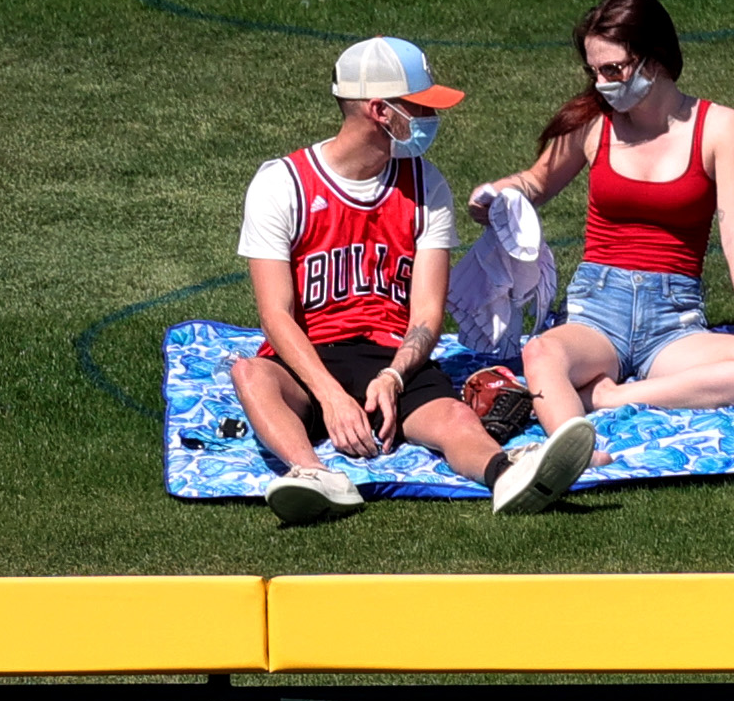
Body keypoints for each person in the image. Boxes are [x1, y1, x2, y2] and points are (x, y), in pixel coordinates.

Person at [235, 35, 599, 522]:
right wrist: (330, 397)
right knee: (250, 373)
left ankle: (506, 474)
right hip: (310, 358)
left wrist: (393, 374)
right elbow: (275, 315)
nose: (430, 118)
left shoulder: (428, 185)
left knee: (452, 417)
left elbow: (426, 314)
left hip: (391, 355)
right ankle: (314, 475)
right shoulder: (281, 184)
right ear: (380, 111)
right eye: (419, 106)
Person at [483, 0, 734, 457]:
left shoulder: (719, 127)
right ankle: (575, 452)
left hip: (674, 319)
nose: (603, 83)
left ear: (654, 58)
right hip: (596, 308)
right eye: (594, 71)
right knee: (541, 353)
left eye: (613, 70)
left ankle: (608, 398)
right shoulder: (594, 122)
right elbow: (536, 182)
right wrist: (495, 195)